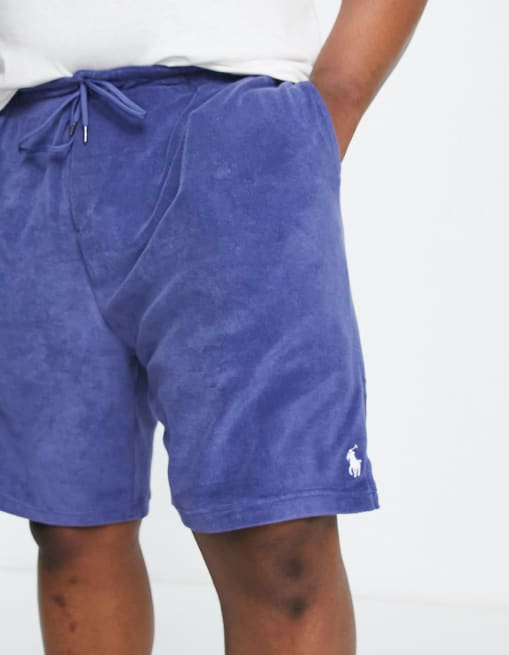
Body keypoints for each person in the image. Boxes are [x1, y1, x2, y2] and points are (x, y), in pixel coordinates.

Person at [0, 1, 427, 653]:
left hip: (232, 129)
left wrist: (335, 100)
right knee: (70, 531)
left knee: (279, 542)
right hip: (34, 136)